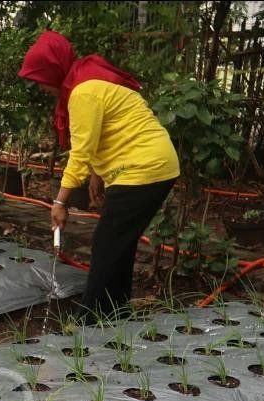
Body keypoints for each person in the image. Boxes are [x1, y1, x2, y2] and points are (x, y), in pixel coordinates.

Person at [19, 30, 180, 317]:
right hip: (151, 165)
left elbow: (80, 152)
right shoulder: (88, 79)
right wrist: (97, 174)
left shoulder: (83, 92)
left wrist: (60, 202)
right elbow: (103, 135)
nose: (41, 88)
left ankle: (92, 318)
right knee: (118, 243)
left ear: (53, 69)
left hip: (143, 169)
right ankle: (115, 312)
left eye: (40, 79)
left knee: (106, 244)